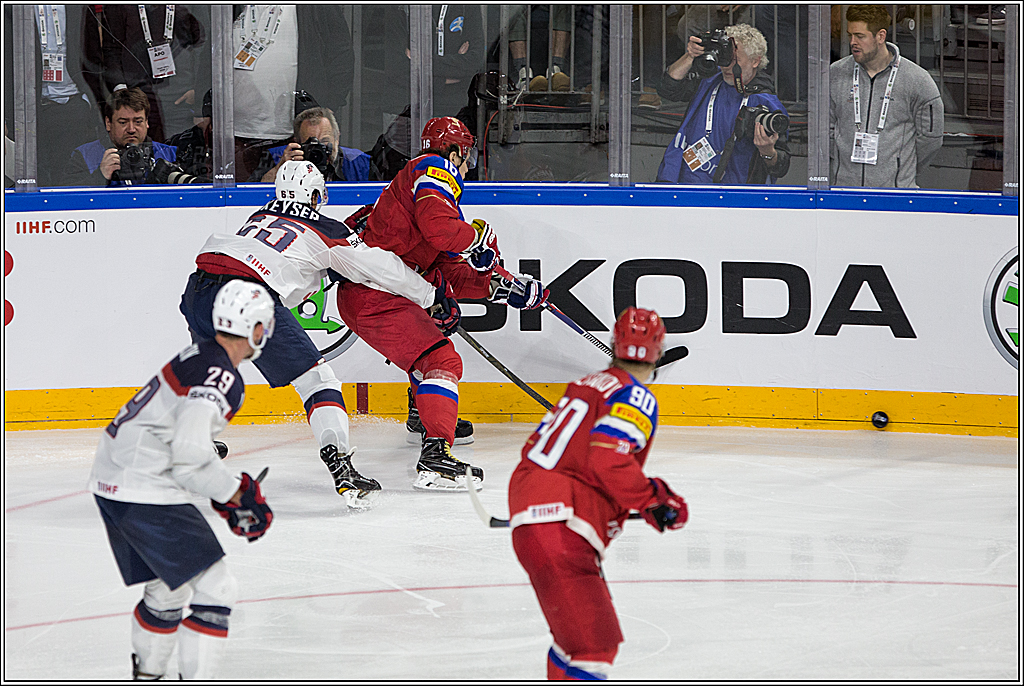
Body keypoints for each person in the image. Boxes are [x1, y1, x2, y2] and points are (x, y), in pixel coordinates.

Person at [179, 160, 459, 509]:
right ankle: (342, 466)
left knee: (213, 371)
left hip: (199, 288)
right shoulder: (326, 228)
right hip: (247, 294)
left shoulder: (258, 216)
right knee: (318, 381)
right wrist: (431, 296)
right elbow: (383, 268)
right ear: (314, 194)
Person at [334, 116, 548, 492]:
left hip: (375, 292)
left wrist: (509, 288)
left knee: (428, 346)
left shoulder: (422, 194)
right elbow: (442, 231)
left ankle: (422, 416)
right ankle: (435, 455)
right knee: (442, 360)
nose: (464, 166)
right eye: (464, 156)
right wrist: (477, 238)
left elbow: (452, 269)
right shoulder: (433, 167)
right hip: (375, 291)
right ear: (454, 150)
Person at [89, 279, 276, 680]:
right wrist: (237, 494)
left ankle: (148, 677)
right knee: (218, 588)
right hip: (143, 484)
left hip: (114, 474)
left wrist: (229, 492)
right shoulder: (222, 375)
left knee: (167, 588)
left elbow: (183, 445)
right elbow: (190, 458)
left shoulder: (202, 354)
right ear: (257, 329)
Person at [507, 307, 688, 680]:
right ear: (658, 351)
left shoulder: (586, 385)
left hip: (532, 513)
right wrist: (655, 498)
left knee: (572, 642)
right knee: (593, 647)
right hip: (562, 522)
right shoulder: (635, 395)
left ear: (613, 343)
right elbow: (607, 458)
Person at [231, 5, 354, 182]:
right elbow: (212, 49)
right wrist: (202, 110)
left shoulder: (317, 8)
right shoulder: (232, 6)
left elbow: (341, 53)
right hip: (237, 134)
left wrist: (329, 106)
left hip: (291, 134)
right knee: (241, 201)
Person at [656, 23, 791, 185]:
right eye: (726, 58)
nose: (727, 66)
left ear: (756, 61)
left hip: (735, 196)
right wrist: (690, 56)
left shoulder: (767, 102)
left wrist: (768, 151)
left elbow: (781, 167)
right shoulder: (709, 80)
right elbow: (668, 89)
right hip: (684, 184)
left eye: (736, 60)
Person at [829, 5, 944, 188]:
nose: (852, 42)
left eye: (860, 36)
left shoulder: (917, 80)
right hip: (844, 191)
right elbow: (825, 129)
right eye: (850, 35)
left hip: (896, 196)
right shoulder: (835, 74)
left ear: (880, 36)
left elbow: (930, 139)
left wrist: (901, 168)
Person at [2, 5, 102, 187]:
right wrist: (7, 115)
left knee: (68, 177)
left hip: (72, 104)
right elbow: (6, 60)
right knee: (33, 179)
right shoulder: (12, 7)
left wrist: (91, 101)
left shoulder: (77, 6)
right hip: (29, 109)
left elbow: (93, 53)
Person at [98, 4, 211, 143]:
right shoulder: (121, 6)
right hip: (135, 100)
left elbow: (202, 43)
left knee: (176, 155)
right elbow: (111, 49)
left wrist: (197, 90)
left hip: (182, 98)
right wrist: (123, 93)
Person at [63, 86, 182, 187]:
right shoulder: (84, 156)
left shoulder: (170, 154)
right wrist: (100, 176)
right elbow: (66, 201)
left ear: (147, 122)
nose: (131, 129)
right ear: (108, 123)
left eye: (138, 122)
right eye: (123, 122)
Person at [249, 106, 370, 183]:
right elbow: (251, 196)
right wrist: (280, 170)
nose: (320, 148)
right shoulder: (275, 158)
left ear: (337, 137)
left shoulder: (359, 163)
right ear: (297, 143)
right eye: (311, 143)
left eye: (325, 141)